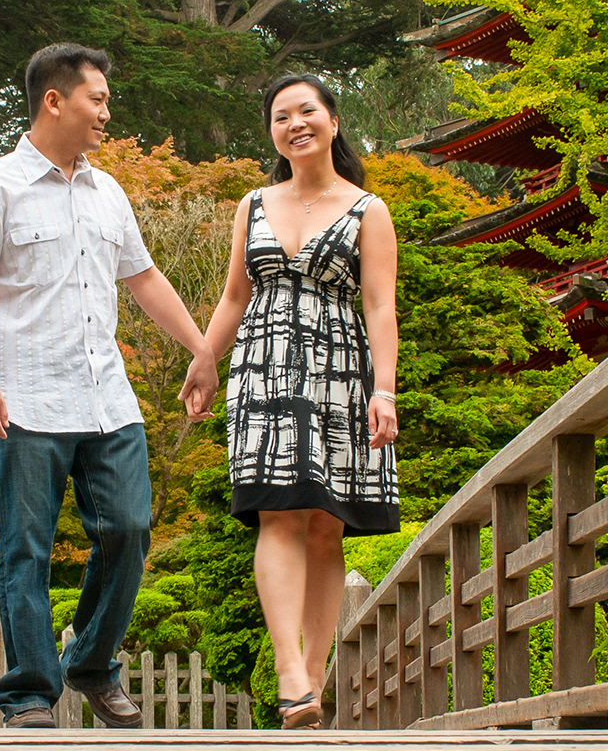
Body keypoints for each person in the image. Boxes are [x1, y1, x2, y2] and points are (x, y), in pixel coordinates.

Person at [0, 43, 218, 730]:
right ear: (54, 100)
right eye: (97, 99)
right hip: (25, 398)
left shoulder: (109, 192)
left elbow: (146, 279)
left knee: (129, 528)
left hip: (107, 399)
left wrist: (203, 350)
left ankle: (91, 663)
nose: (106, 112)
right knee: (25, 549)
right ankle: (30, 693)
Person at [202, 74, 400, 729]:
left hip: (340, 368)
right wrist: (206, 360)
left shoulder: (368, 209)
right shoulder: (253, 204)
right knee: (278, 514)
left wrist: (386, 390)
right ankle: (289, 670)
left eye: (307, 110)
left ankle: (310, 685)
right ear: (273, 132)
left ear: (333, 122)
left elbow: (379, 305)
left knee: (324, 524)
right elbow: (235, 296)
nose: (295, 123)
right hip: (264, 368)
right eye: (281, 115)